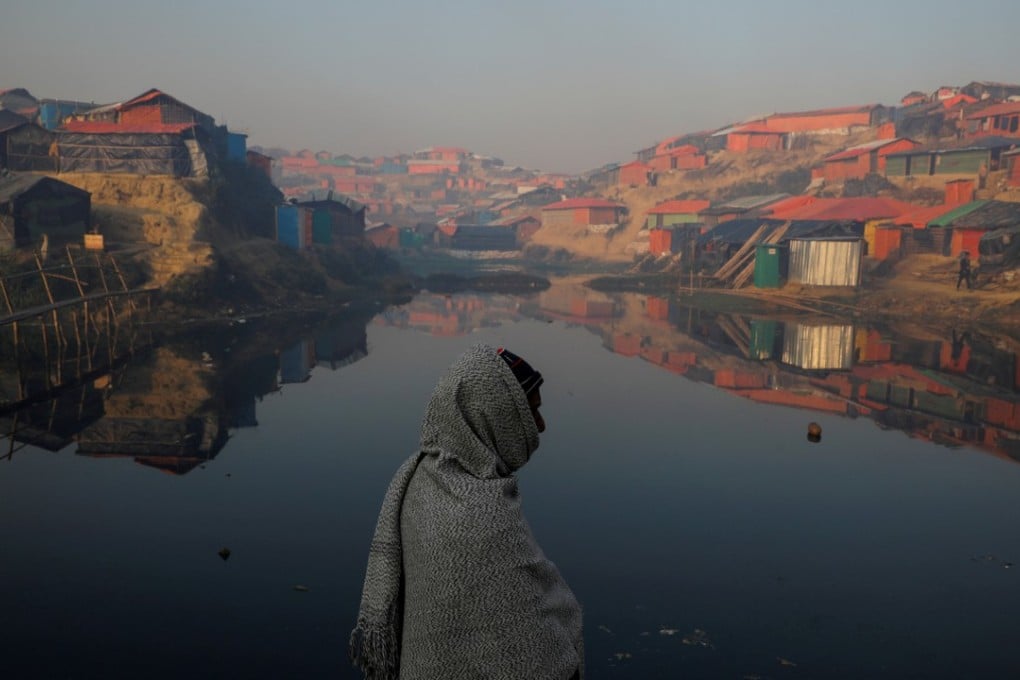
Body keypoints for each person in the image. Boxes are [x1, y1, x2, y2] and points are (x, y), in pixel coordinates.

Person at [349, 344, 584, 680]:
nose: (541, 425)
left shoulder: (420, 478)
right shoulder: (481, 511)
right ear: (496, 415)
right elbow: (533, 652)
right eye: (531, 412)